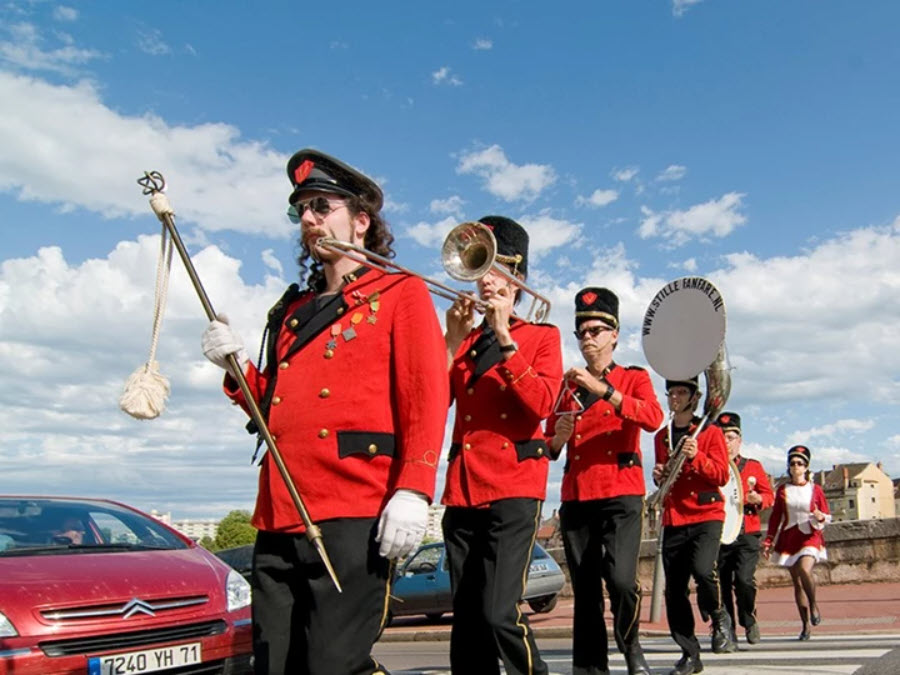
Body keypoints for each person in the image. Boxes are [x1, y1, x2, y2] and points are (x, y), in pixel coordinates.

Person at [201, 149, 449, 675]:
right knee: (275, 665)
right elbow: (273, 408)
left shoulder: (400, 292)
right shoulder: (292, 313)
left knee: (334, 664)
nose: (309, 219)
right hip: (282, 505)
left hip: (354, 504)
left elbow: (425, 394)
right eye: (301, 211)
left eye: (321, 206)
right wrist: (236, 363)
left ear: (360, 221)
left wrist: (415, 487)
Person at [441, 216, 562, 675]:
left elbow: (542, 404)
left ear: (518, 278)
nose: (484, 279)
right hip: (463, 489)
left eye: (494, 267)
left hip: (514, 487)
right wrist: (451, 340)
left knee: (499, 613)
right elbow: (432, 401)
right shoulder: (466, 342)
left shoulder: (540, 337)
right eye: (480, 268)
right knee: (467, 623)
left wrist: (507, 339)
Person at [545, 287, 663, 675]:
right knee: (585, 593)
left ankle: (631, 647)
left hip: (621, 493)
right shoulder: (567, 386)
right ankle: (590, 668)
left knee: (622, 581)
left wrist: (605, 391)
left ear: (614, 334)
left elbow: (652, 418)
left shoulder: (634, 377)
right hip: (578, 496)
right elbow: (549, 446)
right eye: (581, 333)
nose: (587, 339)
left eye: (596, 330)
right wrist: (557, 438)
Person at [652, 377, 737, 675]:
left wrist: (696, 456)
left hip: (706, 513)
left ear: (693, 397)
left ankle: (718, 613)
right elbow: (665, 474)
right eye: (671, 392)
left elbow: (722, 475)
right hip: (675, 516)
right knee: (674, 591)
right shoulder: (662, 437)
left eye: (681, 392)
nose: (675, 397)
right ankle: (689, 653)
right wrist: (659, 474)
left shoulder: (709, 432)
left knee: (703, 570)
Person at [714, 411, 774, 645]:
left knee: (744, 580)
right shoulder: (713, 467)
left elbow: (769, 496)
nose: (726, 443)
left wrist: (758, 498)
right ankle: (728, 630)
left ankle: (749, 618)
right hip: (721, 532)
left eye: (731, 437)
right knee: (722, 584)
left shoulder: (753, 466)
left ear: (740, 440)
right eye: (722, 437)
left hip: (747, 530)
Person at [763, 444, 831, 641]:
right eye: (792, 463)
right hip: (789, 537)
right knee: (797, 583)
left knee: (804, 569)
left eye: (800, 463)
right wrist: (768, 541)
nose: (795, 467)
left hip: (810, 534)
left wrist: (820, 516)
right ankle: (805, 626)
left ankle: (814, 605)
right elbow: (776, 517)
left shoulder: (815, 489)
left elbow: (827, 516)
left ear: (806, 467)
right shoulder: (783, 490)